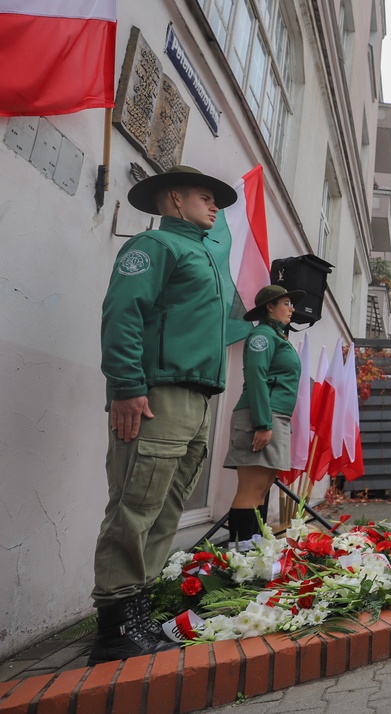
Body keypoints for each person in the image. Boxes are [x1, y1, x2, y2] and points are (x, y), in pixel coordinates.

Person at [90, 165, 237, 665]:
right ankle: (113, 630)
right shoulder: (155, 248)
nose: (215, 206)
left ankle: (138, 610)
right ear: (174, 199)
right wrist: (127, 387)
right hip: (157, 395)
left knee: (165, 509)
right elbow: (122, 313)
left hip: (195, 401)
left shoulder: (204, 255)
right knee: (135, 503)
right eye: (205, 196)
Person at [223, 285, 304, 547]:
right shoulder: (262, 336)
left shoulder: (276, 337)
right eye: (287, 303)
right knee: (250, 491)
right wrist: (262, 423)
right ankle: (241, 555)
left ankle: (254, 552)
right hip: (261, 417)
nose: (292, 309)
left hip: (274, 417)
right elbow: (256, 378)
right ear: (270, 307)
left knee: (261, 490)